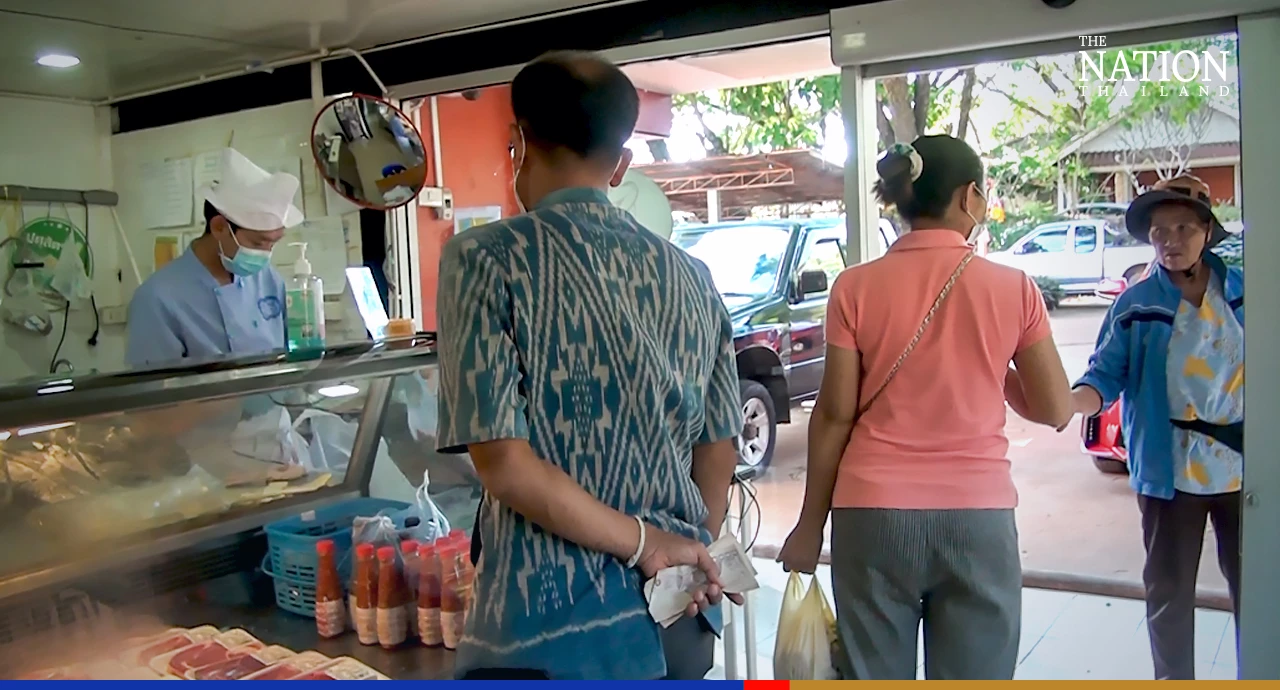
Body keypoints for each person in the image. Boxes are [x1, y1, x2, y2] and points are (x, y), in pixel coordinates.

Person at [434, 51, 742, 680]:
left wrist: (647, 544)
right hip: (676, 622)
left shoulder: (483, 259)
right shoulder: (694, 276)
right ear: (622, 162)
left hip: (546, 633)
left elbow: (505, 464)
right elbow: (719, 446)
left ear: (518, 142)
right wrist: (684, 552)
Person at [776, 136, 1072, 680]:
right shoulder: (1014, 289)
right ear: (970, 198)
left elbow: (835, 414)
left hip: (871, 517)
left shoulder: (854, 287)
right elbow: (1054, 408)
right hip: (976, 518)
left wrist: (809, 527)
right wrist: (992, 361)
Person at [1065, 175, 1243, 680]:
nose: (1170, 240)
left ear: (1208, 231)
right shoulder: (1136, 303)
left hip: (1244, 470)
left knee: (1256, 588)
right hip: (1171, 473)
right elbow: (1104, 376)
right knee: (1168, 592)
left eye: (1183, 227)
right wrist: (1070, 402)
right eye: (1159, 231)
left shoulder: (1245, 292)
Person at [126, 148, 301, 367]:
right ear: (219, 227)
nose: (265, 254)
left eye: (273, 243)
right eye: (257, 243)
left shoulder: (268, 280)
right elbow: (155, 393)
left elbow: (292, 360)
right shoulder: (157, 299)